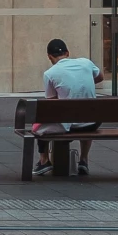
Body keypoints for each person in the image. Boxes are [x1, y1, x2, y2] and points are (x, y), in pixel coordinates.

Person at [31, 38, 103, 177]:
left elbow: (51, 104)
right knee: (87, 114)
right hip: (92, 122)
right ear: (68, 53)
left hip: (70, 124)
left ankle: (44, 160)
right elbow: (100, 77)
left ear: (49, 56)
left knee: (39, 123)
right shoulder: (86, 63)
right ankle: (83, 159)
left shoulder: (50, 73)